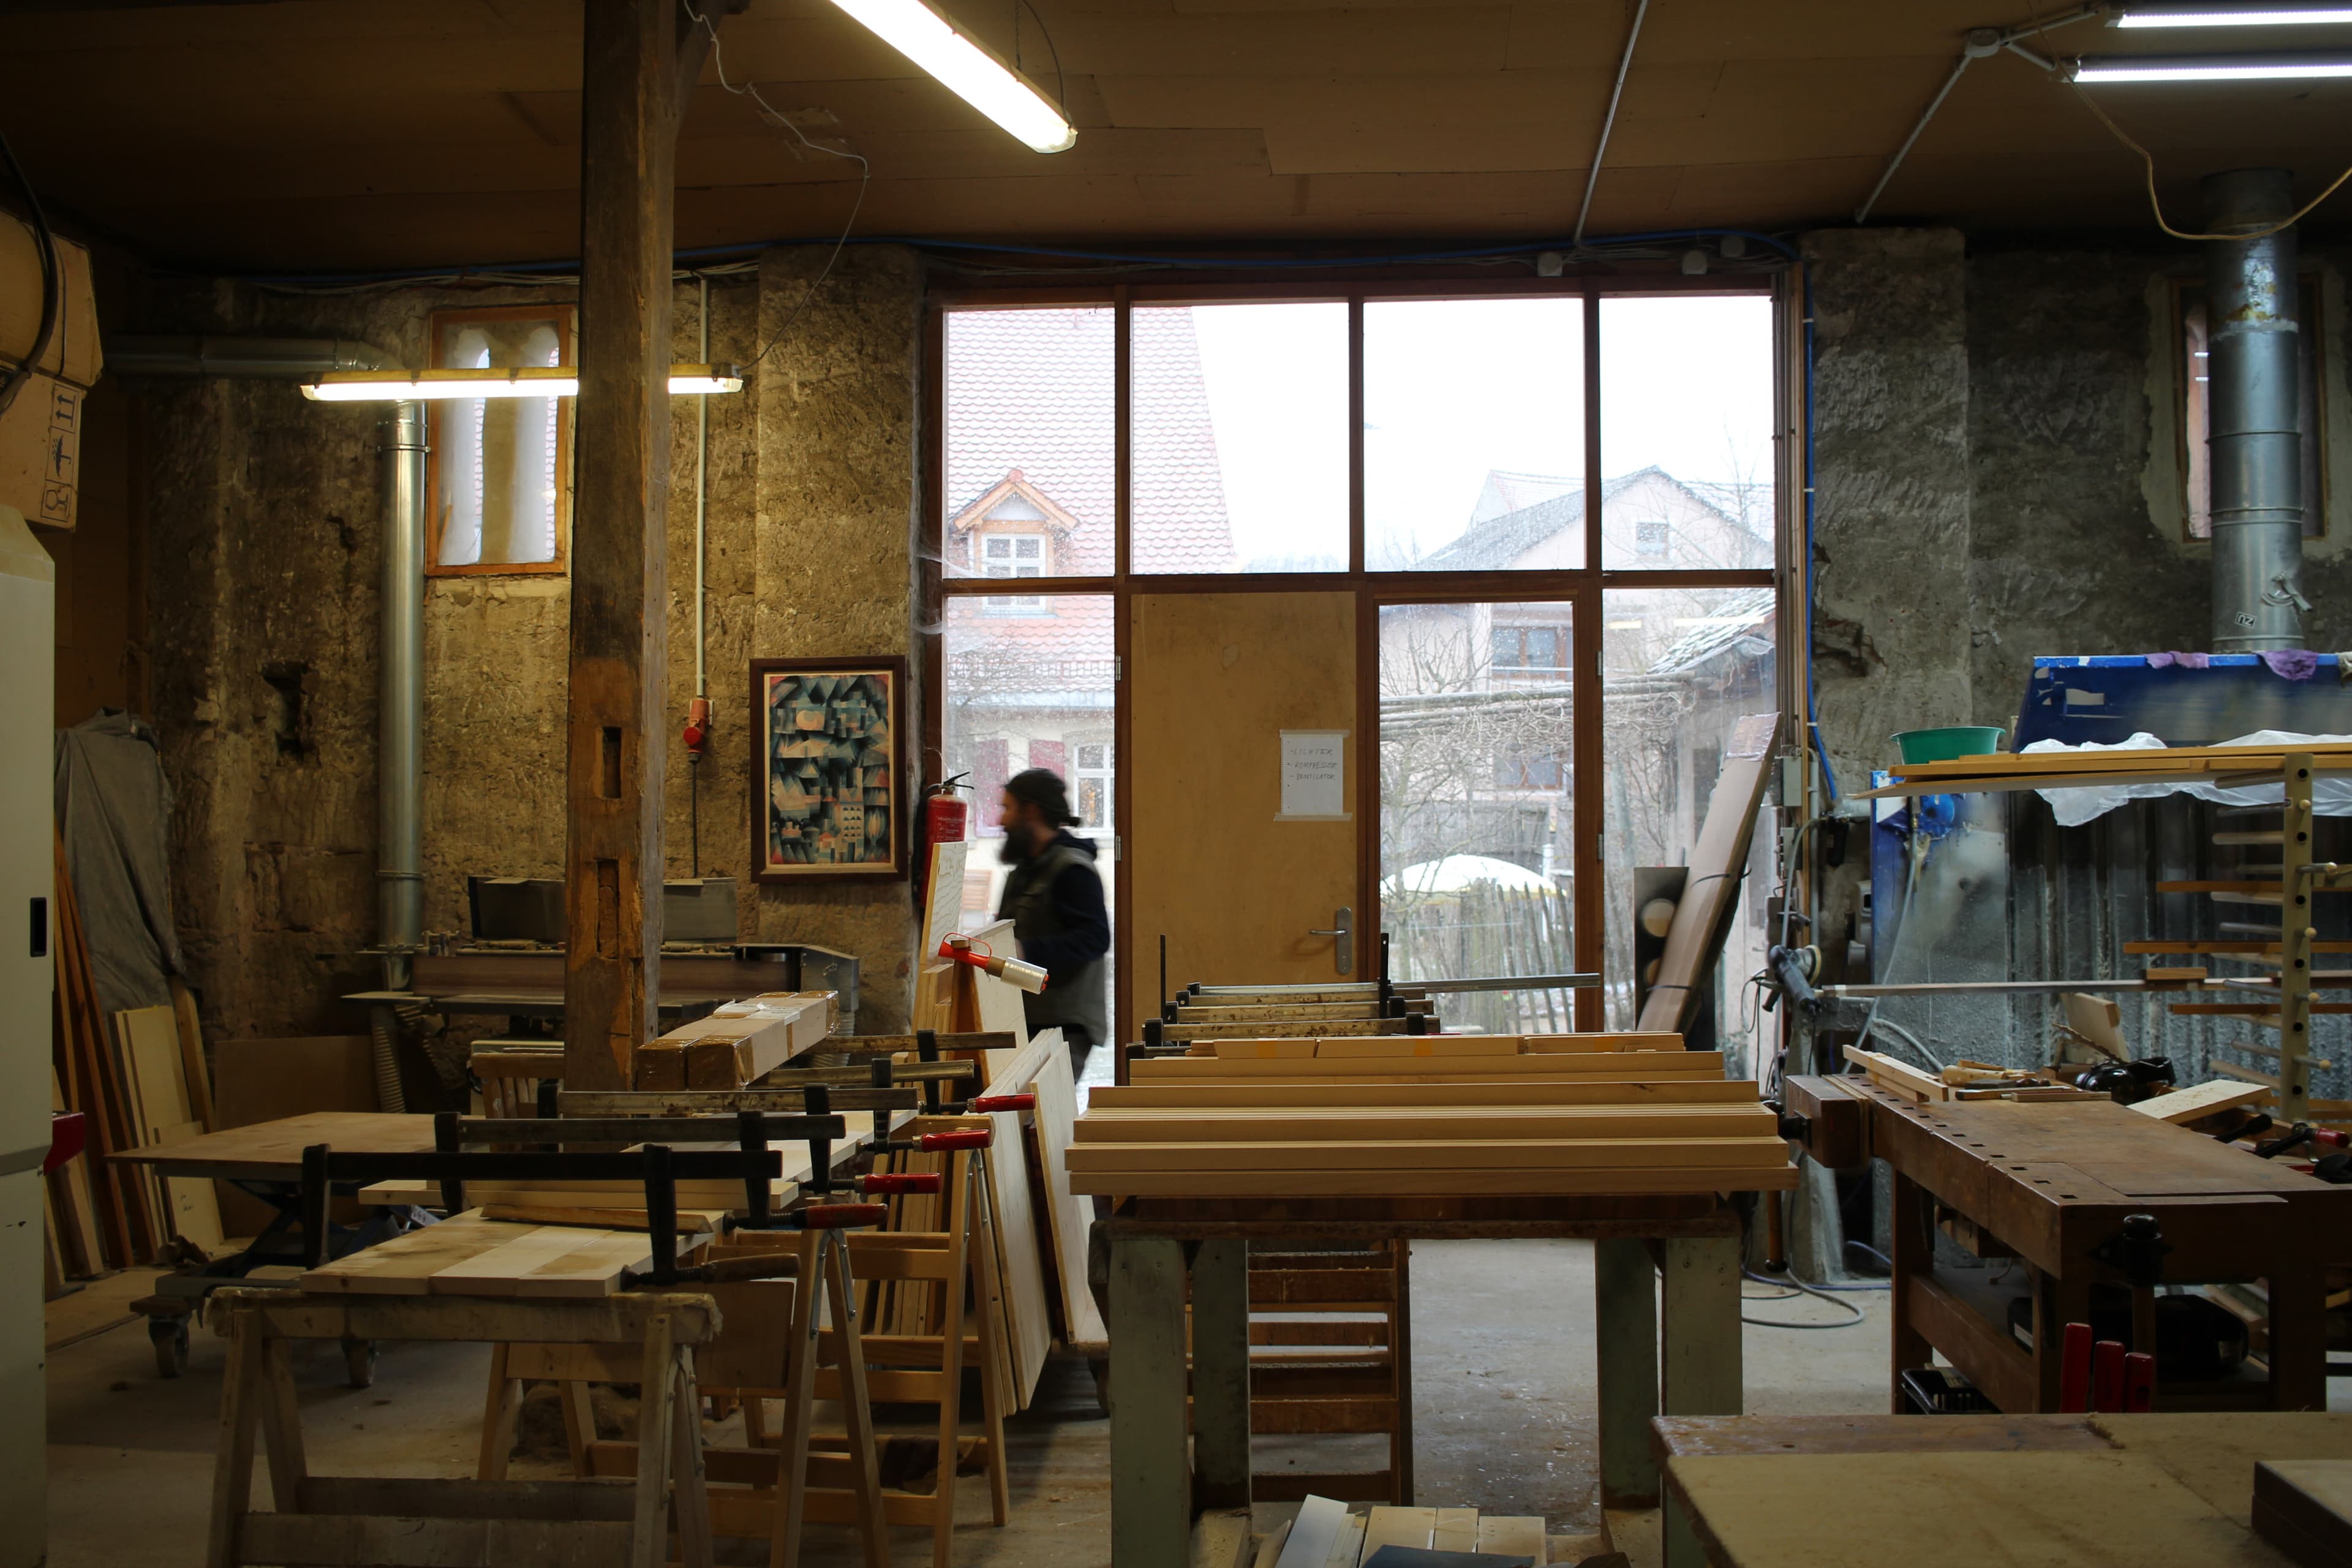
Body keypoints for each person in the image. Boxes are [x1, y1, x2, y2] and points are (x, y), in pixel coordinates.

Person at [995, 766, 1110, 1077]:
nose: (1000, 820)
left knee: (1038, 1123)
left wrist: (1025, 951)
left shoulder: (1072, 870)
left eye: (1007, 808)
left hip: (1062, 1027)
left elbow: (1095, 939)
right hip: (1028, 1019)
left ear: (1030, 811)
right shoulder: (1025, 872)